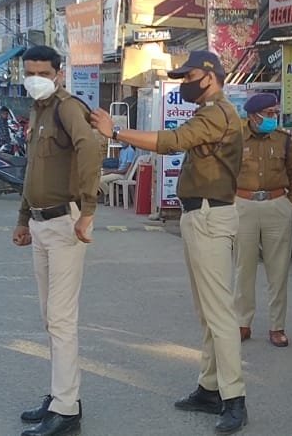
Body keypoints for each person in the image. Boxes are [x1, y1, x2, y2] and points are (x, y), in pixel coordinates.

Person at [90, 50, 248, 435]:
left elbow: (173, 142)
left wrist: (116, 133)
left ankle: (234, 398)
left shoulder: (217, 113)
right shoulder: (211, 111)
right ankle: (210, 388)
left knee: (219, 314)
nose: (184, 84)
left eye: (189, 77)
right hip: (201, 215)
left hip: (210, 215)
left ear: (209, 76)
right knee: (208, 312)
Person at [12, 45, 102, 436]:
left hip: (66, 223)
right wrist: (22, 218)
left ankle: (66, 411)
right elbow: (33, 170)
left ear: (58, 74)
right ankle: (59, 396)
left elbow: (91, 147)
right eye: (30, 72)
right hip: (39, 223)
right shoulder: (38, 110)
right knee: (51, 318)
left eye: (43, 73)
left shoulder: (67, 108)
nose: (36, 79)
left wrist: (88, 210)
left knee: (61, 320)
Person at [233, 93, 292, 347]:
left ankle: (277, 327)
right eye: (269, 113)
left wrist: (291, 200)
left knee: (278, 270)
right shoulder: (236, 138)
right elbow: (225, 171)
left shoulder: (283, 139)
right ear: (254, 116)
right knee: (243, 267)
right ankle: (242, 323)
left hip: (276, 204)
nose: (274, 117)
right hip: (244, 204)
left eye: (275, 113)